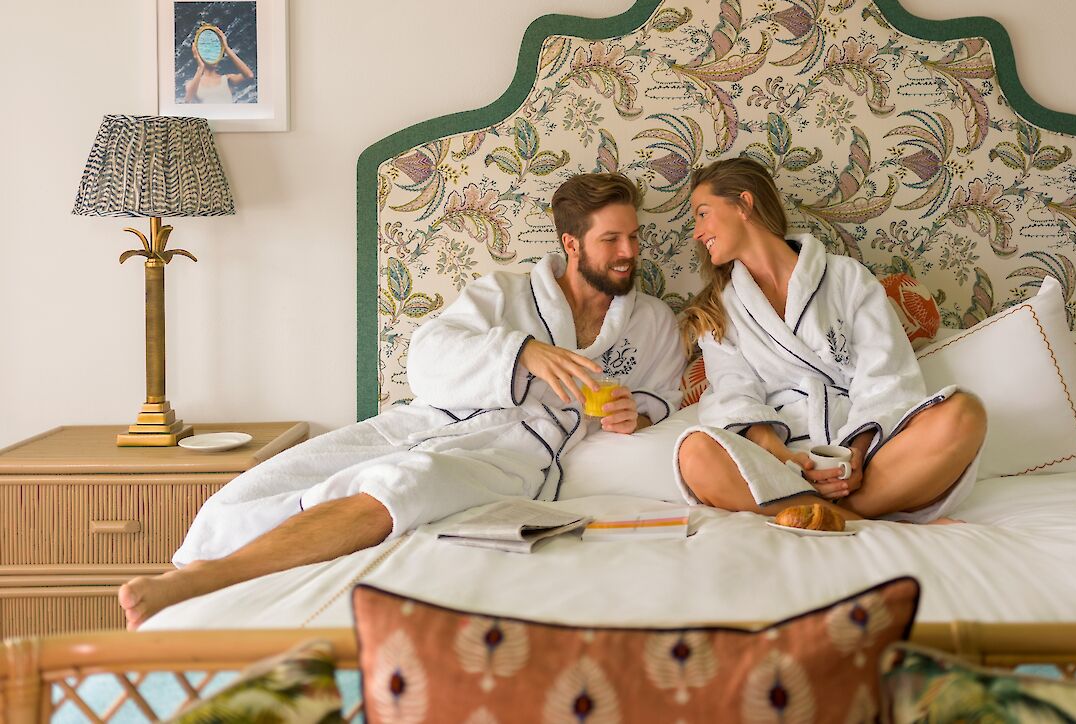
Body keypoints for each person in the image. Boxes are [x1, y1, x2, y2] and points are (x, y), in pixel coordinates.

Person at [118, 172, 686, 629]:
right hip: (430, 421)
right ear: (571, 244)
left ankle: (208, 580)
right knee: (270, 481)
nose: (628, 252)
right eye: (611, 239)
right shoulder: (505, 294)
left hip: (512, 456)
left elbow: (661, 395)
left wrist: (637, 413)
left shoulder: (651, 321)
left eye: (632, 237)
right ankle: (201, 560)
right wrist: (521, 353)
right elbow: (428, 357)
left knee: (406, 486)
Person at [675, 158, 986, 523]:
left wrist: (854, 453)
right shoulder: (719, 309)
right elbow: (734, 397)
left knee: (964, 413)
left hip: (864, 454)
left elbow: (886, 374)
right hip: (780, 465)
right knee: (694, 453)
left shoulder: (845, 278)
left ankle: (828, 514)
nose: (697, 232)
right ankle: (852, 517)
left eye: (702, 214)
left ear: (743, 204)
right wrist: (790, 460)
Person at [184, 24, 255, 104]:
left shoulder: (227, 80)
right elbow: (187, 101)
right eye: (208, 52)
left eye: (216, 50)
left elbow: (249, 76)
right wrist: (201, 67)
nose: (213, 55)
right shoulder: (193, 84)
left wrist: (227, 48)